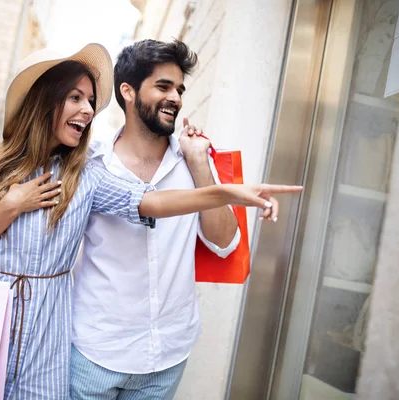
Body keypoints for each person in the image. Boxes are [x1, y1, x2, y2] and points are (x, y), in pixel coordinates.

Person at [0, 43, 301, 399]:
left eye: (90, 101)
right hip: (6, 328)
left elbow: (152, 202)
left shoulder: (83, 176)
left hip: (56, 343)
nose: (87, 110)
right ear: (44, 99)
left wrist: (231, 192)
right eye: (75, 98)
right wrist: (10, 206)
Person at [68, 39, 264, 399]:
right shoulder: (90, 165)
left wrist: (199, 165)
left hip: (167, 356)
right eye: (163, 86)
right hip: (95, 353)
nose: (175, 97)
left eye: (179, 89)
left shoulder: (192, 160)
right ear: (128, 91)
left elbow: (224, 244)